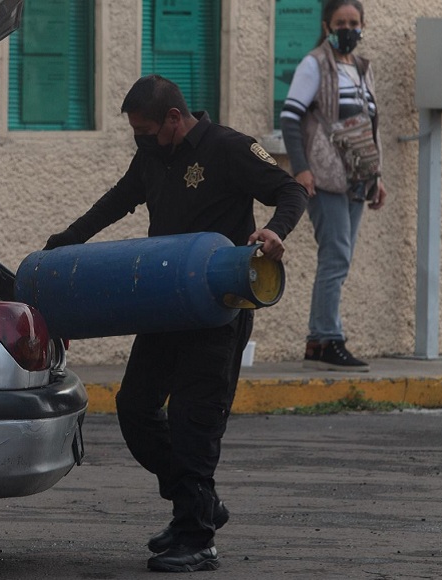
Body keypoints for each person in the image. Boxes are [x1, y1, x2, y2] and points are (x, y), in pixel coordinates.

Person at [44, 75, 306, 573]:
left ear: (172, 117)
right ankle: (197, 504)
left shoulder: (229, 148)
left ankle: (197, 536)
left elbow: (290, 191)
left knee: (194, 420)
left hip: (217, 309)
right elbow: (116, 201)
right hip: (165, 307)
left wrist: (274, 230)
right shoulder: (151, 156)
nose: (139, 138)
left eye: (144, 129)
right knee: (135, 408)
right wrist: (64, 243)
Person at [280, 0, 387, 372]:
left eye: (354, 22)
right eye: (340, 22)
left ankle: (317, 342)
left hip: (357, 178)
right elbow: (290, 117)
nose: (348, 28)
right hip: (324, 176)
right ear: (327, 26)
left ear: (362, 25)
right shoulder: (315, 64)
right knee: (336, 255)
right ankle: (327, 337)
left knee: (341, 257)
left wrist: (378, 177)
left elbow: (367, 126)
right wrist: (301, 169)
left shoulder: (360, 68)